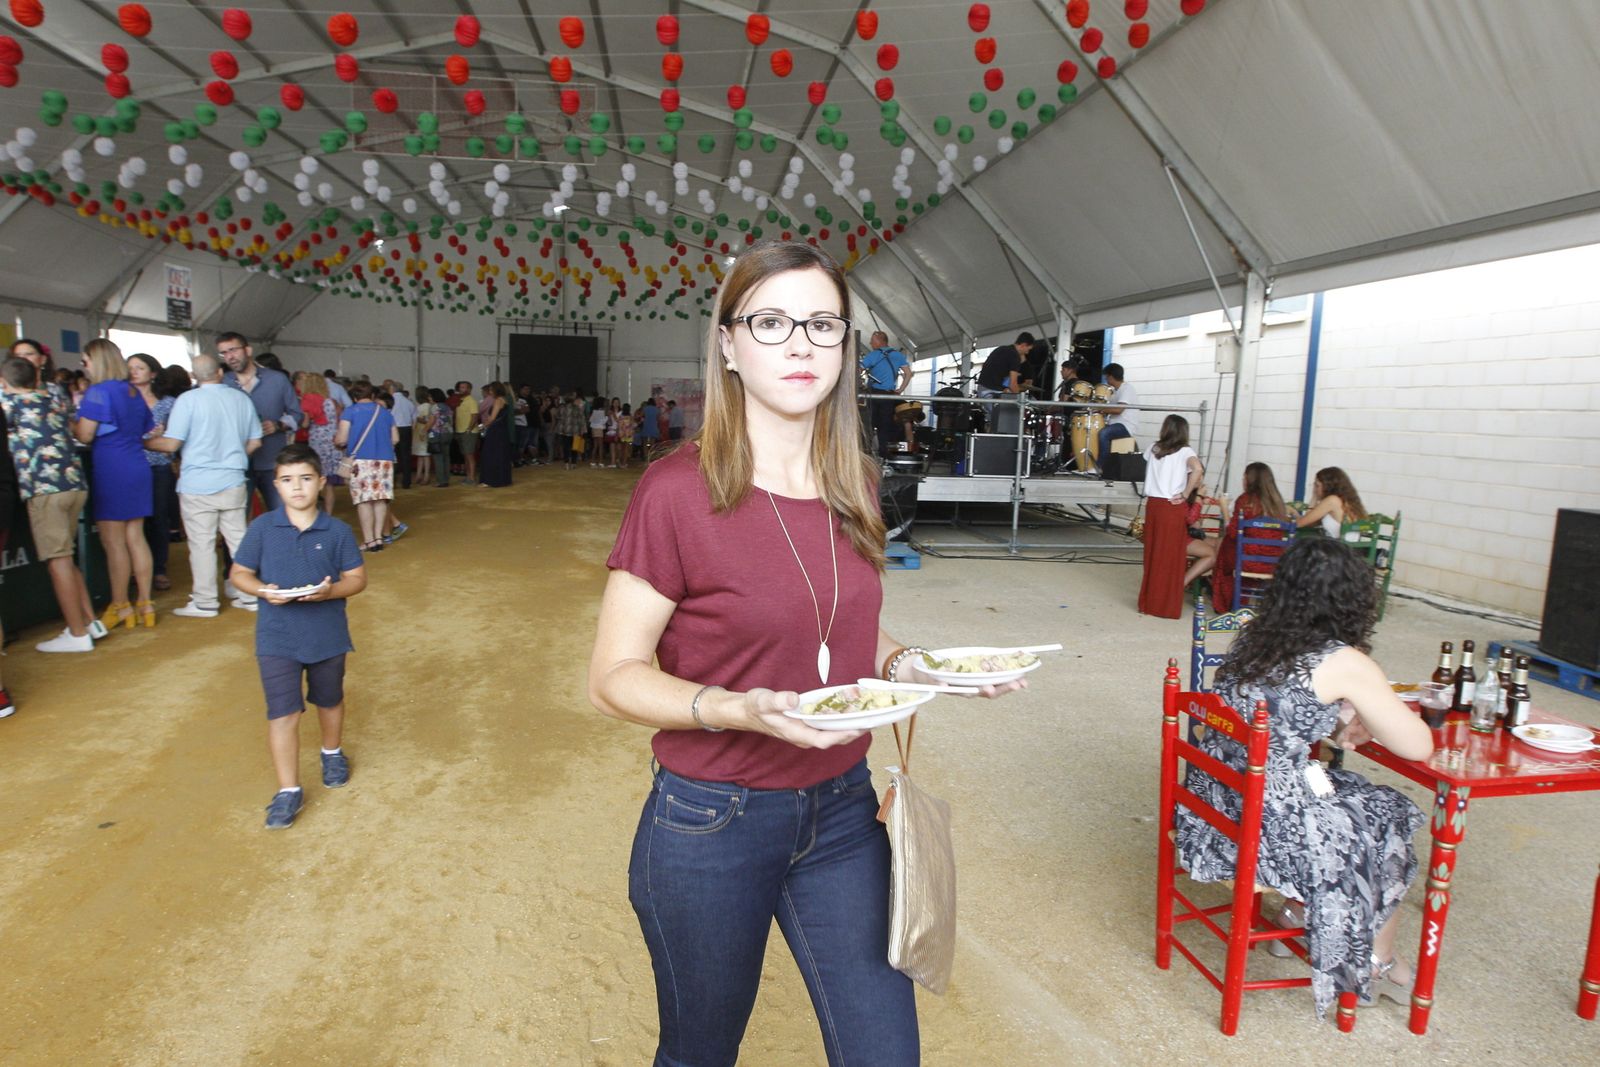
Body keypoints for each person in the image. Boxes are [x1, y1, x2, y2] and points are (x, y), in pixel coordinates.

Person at [588, 239, 1021, 1066]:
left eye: (822, 324)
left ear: (845, 345)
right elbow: (612, 676)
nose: (799, 343)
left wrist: (911, 665)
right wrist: (735, 708)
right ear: (728, 343)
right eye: (772, 320)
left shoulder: (853, 478)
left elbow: (836, 626)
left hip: (843, 814)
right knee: (699, 1053)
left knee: (885, 1054)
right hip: (714, 817)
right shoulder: (678, 491)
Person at [1175, 537, 1434, 1018]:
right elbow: (1419, 746)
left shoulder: (1258, 639)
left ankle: (1298, 910)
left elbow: (1283, 713)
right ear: (1354, 598)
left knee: (1359, 798)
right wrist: (1361, 707)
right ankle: (1376, 960)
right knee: (1388, 814)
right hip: (1268, 823)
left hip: (1212, 807)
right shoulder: (1344, 661)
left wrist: (1343, 718)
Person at [229, 443, 367, 830]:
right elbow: (239, 572)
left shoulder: (337, 531)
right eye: (288, 480)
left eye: (306, 479)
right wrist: (261, 590)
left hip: (327, 635)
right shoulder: (262, 528)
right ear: (276, 485)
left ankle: (332, 751)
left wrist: (330, 592)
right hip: (276, 637)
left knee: (329, 698)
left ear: (321, 482)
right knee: (283, 712)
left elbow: (357, 579)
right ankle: (288, 790)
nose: (297, 487)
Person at [145, 353, 262, 617]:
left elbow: (171, 444)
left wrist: (143, 442)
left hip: (197, 482)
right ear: (220, 373)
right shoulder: (240, 398)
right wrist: (236, 456)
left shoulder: (188, 400)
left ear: (194, 376)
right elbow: (256, 441)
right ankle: (249, 596)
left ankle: (206, 601)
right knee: (238, 540)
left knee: (202, 544)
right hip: (233, 478)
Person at [1, 356, 101, 653]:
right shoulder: (55, 399)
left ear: (5, 383)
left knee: (57, 561)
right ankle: (90, 620)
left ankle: (77, 633)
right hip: (74, 485)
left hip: (45, 490)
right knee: (66, 557)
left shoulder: (9, 407)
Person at [73, 339, 156, 629]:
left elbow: (84, 435)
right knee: (136, 537)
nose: (84, 367)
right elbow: (148, 427)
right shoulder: (132, 392)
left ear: (96, 361)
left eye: (85, 361)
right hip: (137, 465)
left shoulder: (97, 392)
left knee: (114, 542)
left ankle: (120, 604)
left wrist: (68, 422)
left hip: (112, 468)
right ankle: (145, 603)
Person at [219, 332, 299, 512]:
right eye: (224, 353)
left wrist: (279, 425)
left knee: (281, 514)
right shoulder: (223, 384)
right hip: (236, 463)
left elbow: (297, 414)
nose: (229, 357)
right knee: (235, 520)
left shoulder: (277, 379)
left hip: (271, 460)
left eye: (233, 350)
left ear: (248, 350)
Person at [1138, 414, 1203, 619]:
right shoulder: (1186, 451)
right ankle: (1165, 606)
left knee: (1153, 555)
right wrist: (1185, 493)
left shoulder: (1154, 448)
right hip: (1172, 506)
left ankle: (1148, 603)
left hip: (1154, 505)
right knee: (1171, 557)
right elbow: (1198, 469)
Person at [1212, 461, 1295, 610]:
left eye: (1244, 477)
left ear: (1249, 479)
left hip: (1247, 562)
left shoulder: (1245, 501)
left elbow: (1232, 532)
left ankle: (1226, 605)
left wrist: (1224, 508)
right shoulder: (1278, 503)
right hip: (1273, 563)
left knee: (1225, 546)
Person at [130, 353, 179, 591]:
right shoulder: (124, 399)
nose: (134, 372)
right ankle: (135, 568)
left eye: (139, 367)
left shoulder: (168, 403)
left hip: (159, 464)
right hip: (130, 464)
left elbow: (177, 435)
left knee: (159, 518)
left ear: (153, 373)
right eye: (130, 368)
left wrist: (162, 436)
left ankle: (158, 568)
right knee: (134, 520)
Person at [334, 381, 398, 551]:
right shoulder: (385, 413)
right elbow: (395, 439)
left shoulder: (350, 412)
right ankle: (378, 538)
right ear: (372, 396)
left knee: (364, 501)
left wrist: (341, 444)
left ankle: (369, 540)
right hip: (384, 461)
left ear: (354, 397)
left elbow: (341, 438)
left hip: (361, 461)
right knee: (379, 499)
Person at [296, 372, 342, 515]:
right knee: (329, 484)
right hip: (332, 444)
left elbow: (304, 424)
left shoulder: (308, 401)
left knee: (314, 480)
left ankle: (313, 513)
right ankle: (328, 514)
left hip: (317, 444)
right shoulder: (330, 401)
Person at [860, 330, 911, 455]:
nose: (870, 343)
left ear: (879, 340)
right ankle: (884, 455)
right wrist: (900, 390)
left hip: (873, 394)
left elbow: (858, 368)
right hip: (889, 394)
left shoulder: (873, 355)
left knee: (869, 424)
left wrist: (860, 384)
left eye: (872, 341)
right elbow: (908, 374)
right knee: (885, 425)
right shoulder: (898, 355)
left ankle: (866, 453)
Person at [975, 331, 1033, 436]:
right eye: (1028, 349)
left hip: (983, 389)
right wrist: (1020, 401)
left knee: (996, 419)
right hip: (991, 392)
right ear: (1024, 345)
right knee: (1006, 419)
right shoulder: (1015, 357)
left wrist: (1005, 389)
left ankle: (991, 435)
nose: (1027, 353)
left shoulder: (1001, 349)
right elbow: (1013, 384)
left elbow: (994, 373)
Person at [1298, 466, 1368, 538]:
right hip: (1350, 547)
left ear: (1327, 486)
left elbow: (1300, 524)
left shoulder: (1332, 500)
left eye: (1317, 485)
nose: (1315, 489)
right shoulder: (1345, 501)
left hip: (1339, 547)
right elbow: (1311, 523)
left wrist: (1314, 497)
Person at [1097, 362, 1139, 470]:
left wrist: (1101, 409)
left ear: (1110, 376)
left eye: (1106, 376)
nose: (1106, 379)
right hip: (1116, 425)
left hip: (1126, 426)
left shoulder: (1127, 389)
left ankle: (1100, 467)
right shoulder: (1115, 392)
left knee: (1104, 433)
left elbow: (1118, 410)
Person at [478, 382, 514, 487]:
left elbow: (492, 418)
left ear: (496, 390)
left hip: (495, 430)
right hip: (502, 430)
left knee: (490, 454)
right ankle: (502, 479)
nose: (489, 392)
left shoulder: (498, 400)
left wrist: (480, 427)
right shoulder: (505, 399)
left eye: (491, 390)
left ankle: (490, 480)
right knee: (500, 454)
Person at [388, 383, 416, 490]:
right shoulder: (409, 402)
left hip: (393, 429)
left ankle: (392, 482)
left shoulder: (391, 401)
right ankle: (406, 482)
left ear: (392, 389)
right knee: (406, 456)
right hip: (406, 429)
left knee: (392, 455)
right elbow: (415, 417)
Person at [453, 380, 480, 484]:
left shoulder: (471, 401)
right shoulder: (459, 400)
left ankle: (472, 478)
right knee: (465, 455)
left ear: (469, 389)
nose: (462, 389)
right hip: (461, 431)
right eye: (461, 387)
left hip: (468, 432)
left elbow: (475, 416)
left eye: (464, 387)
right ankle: (468, 476)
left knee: (469, 455)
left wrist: (469, 429)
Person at [427, 387, 454, 487]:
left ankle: (441, 481)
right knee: (446, 457)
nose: (429, 398)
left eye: (430, 396)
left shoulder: (434, 407)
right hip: (448, 433)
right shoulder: (447, 407)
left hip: (437, 434)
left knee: (438, 458)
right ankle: (446, 479)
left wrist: (423, 430)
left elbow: (431, 421)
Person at [412, 387, 435, 486]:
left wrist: (419, 420)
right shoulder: (424, 406)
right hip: (420, 432)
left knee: (425, 455)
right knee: (421, 455)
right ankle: (419, 475)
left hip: (423, 431)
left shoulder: (426, 407)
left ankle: (425, 476)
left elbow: (429, 420)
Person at [556, 393, 586, 469]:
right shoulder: (577, 408)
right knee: (574, 447)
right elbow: (581, 419)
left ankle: (566, 463)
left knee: (566, 447)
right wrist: (583, 430)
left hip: (564, 430)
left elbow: (557, 416)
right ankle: (573, 463)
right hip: (575, 431)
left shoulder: (561, 408)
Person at [588, 397, 610, 467]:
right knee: (600, 446)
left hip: (594, 428)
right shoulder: (602, 411)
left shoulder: (594, 410)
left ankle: (593, 461)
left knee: (595, 446)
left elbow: (590, 420)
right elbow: (603, 421)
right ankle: (600, 462)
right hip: (600, 428)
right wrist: (607, 417)